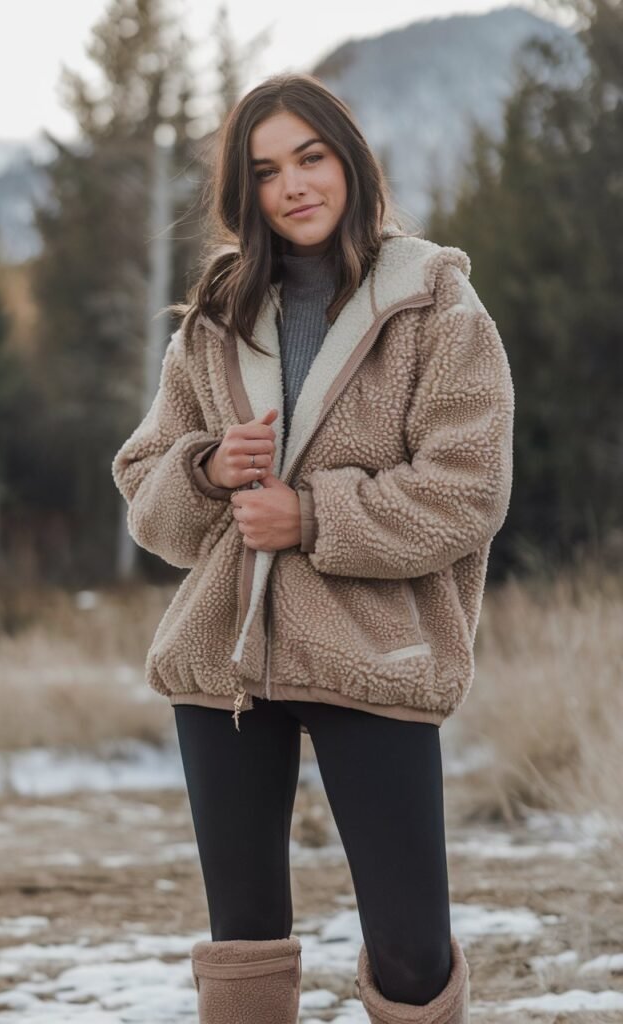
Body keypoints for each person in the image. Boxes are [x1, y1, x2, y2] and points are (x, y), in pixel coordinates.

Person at [112, 71, 514, 1024]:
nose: (293, 185)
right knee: (243, 942)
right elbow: (144, 486)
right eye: (265, 171)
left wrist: (314, 518)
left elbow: (468, 492)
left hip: (375, 652)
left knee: (413, 951)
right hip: (226, 661)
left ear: (349, 161)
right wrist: (207, 470)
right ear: (242, 194)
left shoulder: (437, 308)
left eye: (310, 157)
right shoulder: (213, 320)